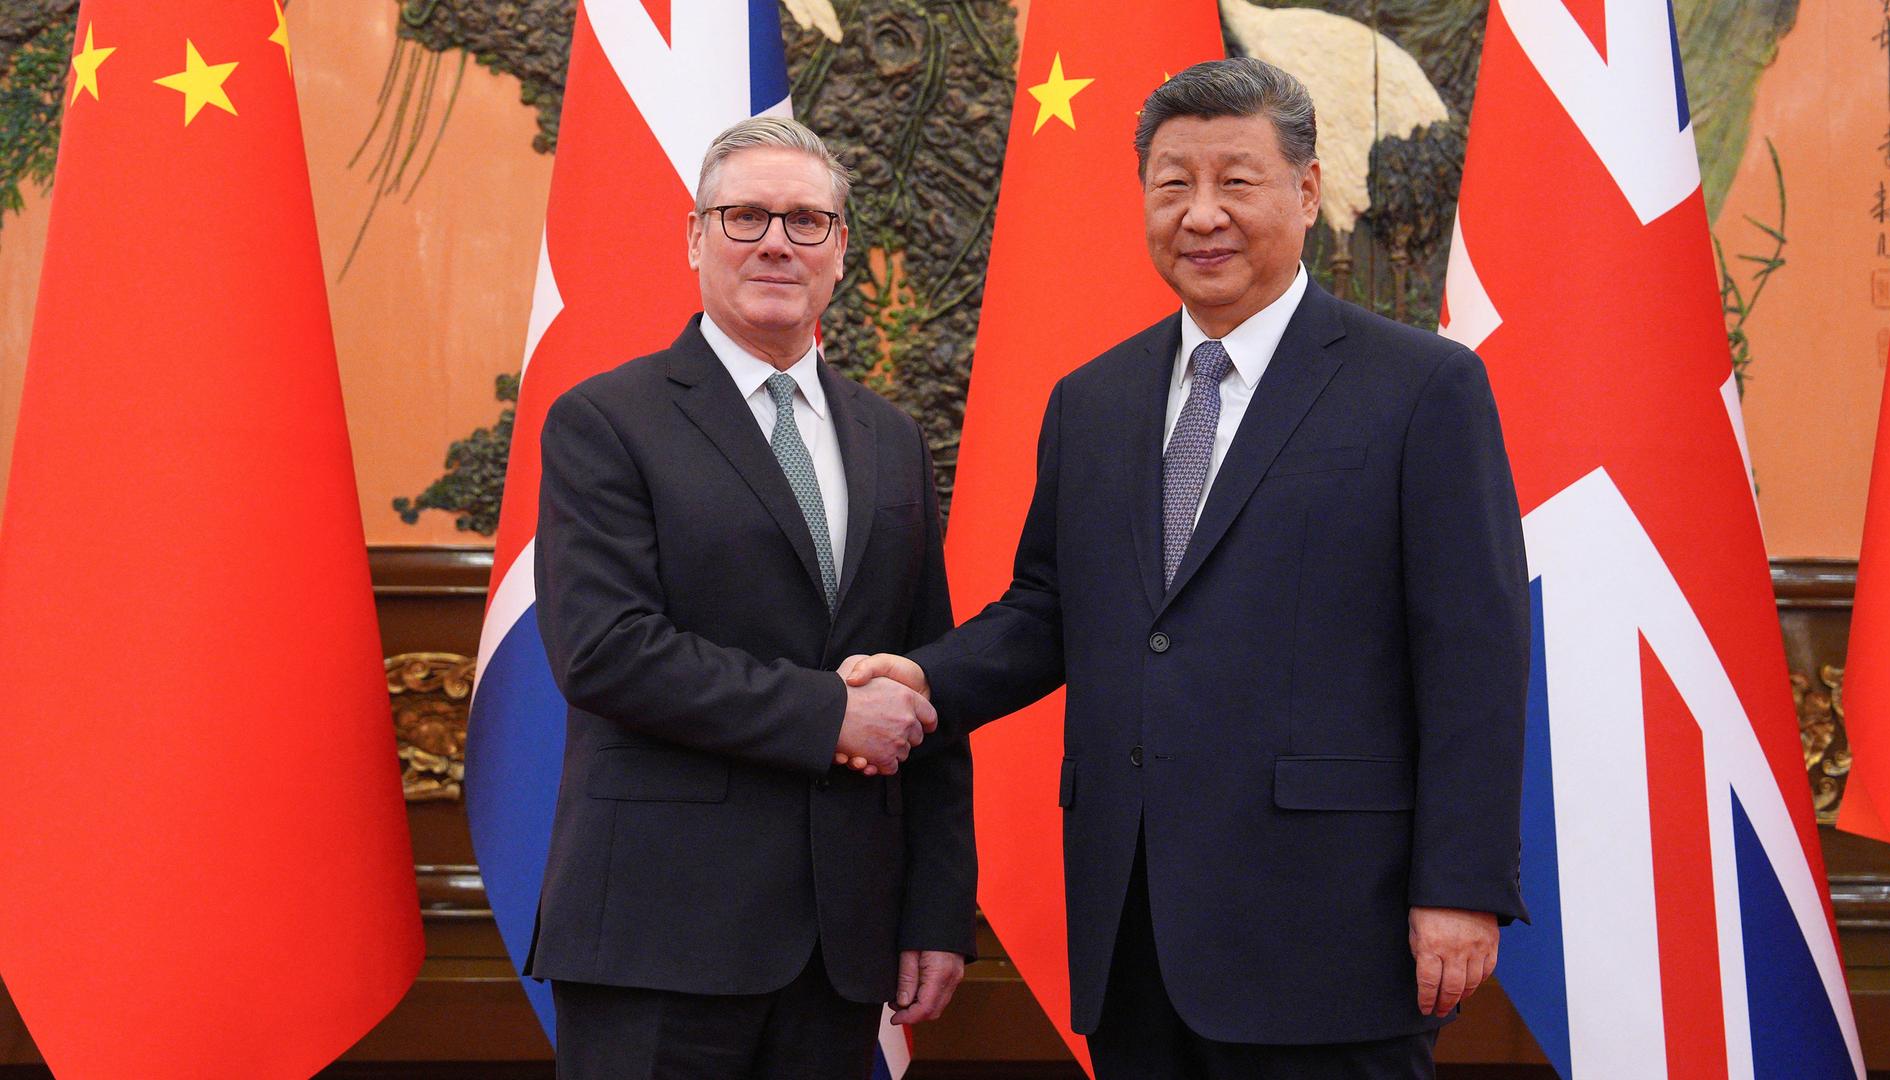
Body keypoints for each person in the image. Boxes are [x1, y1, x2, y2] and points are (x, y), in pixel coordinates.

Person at [845, 58, 1529, 1079]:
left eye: (1236, 180)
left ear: (1305, 193)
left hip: (1334, 926)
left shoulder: (1421, 387)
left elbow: (1474, 651)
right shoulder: (1095, 400)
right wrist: (925, 681)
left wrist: (1462, 885)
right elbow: (1049, 609)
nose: (1201, 214)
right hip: (1134, 928)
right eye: (1173, 185)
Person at [526, 116, 976, 1080]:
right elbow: (605, 650)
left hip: (842, 944)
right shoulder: (605, 420)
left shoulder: (892, 439)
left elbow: (923, 674)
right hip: (659, 937)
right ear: (695, 238)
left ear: (841, 252)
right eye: (745, 217)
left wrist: (938, 907)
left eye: (807, 221)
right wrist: (833, 715)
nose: (777, 241)